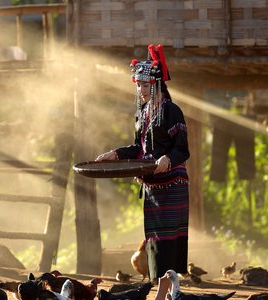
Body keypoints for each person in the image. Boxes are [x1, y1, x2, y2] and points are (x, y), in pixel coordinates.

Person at [95, 44, 190, 286]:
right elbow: (139, 148)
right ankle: (164, 290)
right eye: (138, 86)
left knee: (167, 241)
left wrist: (167, 159)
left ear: (156, 84)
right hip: (152, 186)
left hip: (172, 184)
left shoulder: (171, 111)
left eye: (145, 86)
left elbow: (182, 150)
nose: (141, 90)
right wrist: (115, 153)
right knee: (154, 240)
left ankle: (163, 291)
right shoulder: (142, 113)